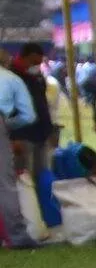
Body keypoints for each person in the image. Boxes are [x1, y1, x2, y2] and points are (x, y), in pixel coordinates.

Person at [0, 64, 38, 249]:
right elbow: (28, 116)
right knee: (5, 185)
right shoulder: (11, 78)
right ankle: (17, 237)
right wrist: (7, 125)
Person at [9, 43, 54, 188]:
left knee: (42, 175)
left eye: (39, 64)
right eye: (34, 63)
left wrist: (49, 128)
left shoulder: (37, 76)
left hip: (41, 133)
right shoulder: (11, 77)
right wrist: (14, 137)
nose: (37, 66)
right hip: (23, 135)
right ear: (25, 58)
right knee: (25, 178)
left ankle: (42, 204)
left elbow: (42, 103)